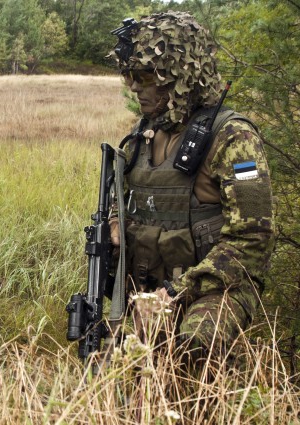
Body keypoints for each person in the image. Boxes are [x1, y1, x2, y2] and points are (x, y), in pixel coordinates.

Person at [109, 12, 275, 366]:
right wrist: (113, 225)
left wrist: (175, 294)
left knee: (191, 346)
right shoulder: (139, 138)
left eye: (144, 76)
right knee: (117, 361)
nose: (134, 87)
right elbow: (124, 200)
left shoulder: (234, 138)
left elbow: (253, 238)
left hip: (215, 288)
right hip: (149, 286)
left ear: (179, 74)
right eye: (130, 76)